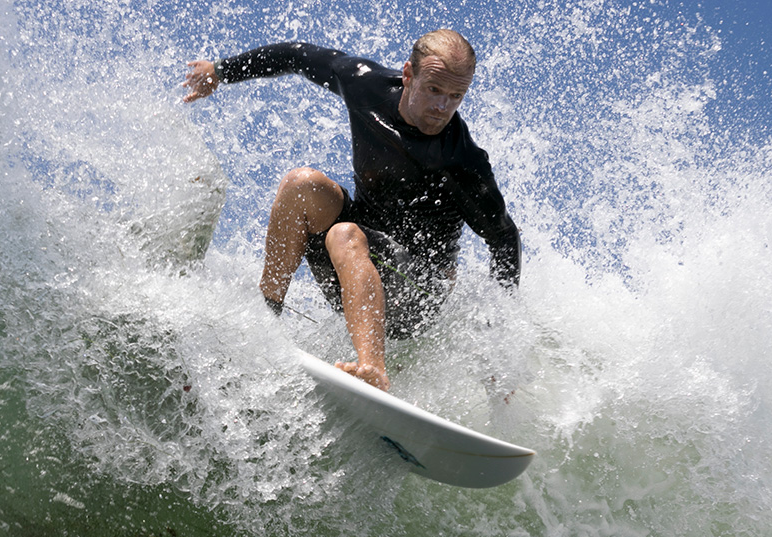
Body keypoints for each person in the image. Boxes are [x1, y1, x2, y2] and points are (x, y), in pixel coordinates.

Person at [182, 32, 521, 392]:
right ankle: (264, 320)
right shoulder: (365, 86)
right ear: (408, 75)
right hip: (356, 264)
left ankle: (372, 371)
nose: (443, 107)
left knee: (345, 234)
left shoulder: (462, 160)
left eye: (456, 96)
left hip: (418, 296)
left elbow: (503, 239)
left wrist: (498, 341)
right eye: (434, 89)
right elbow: (299, 54)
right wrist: (220, 70)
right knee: (301, 184)